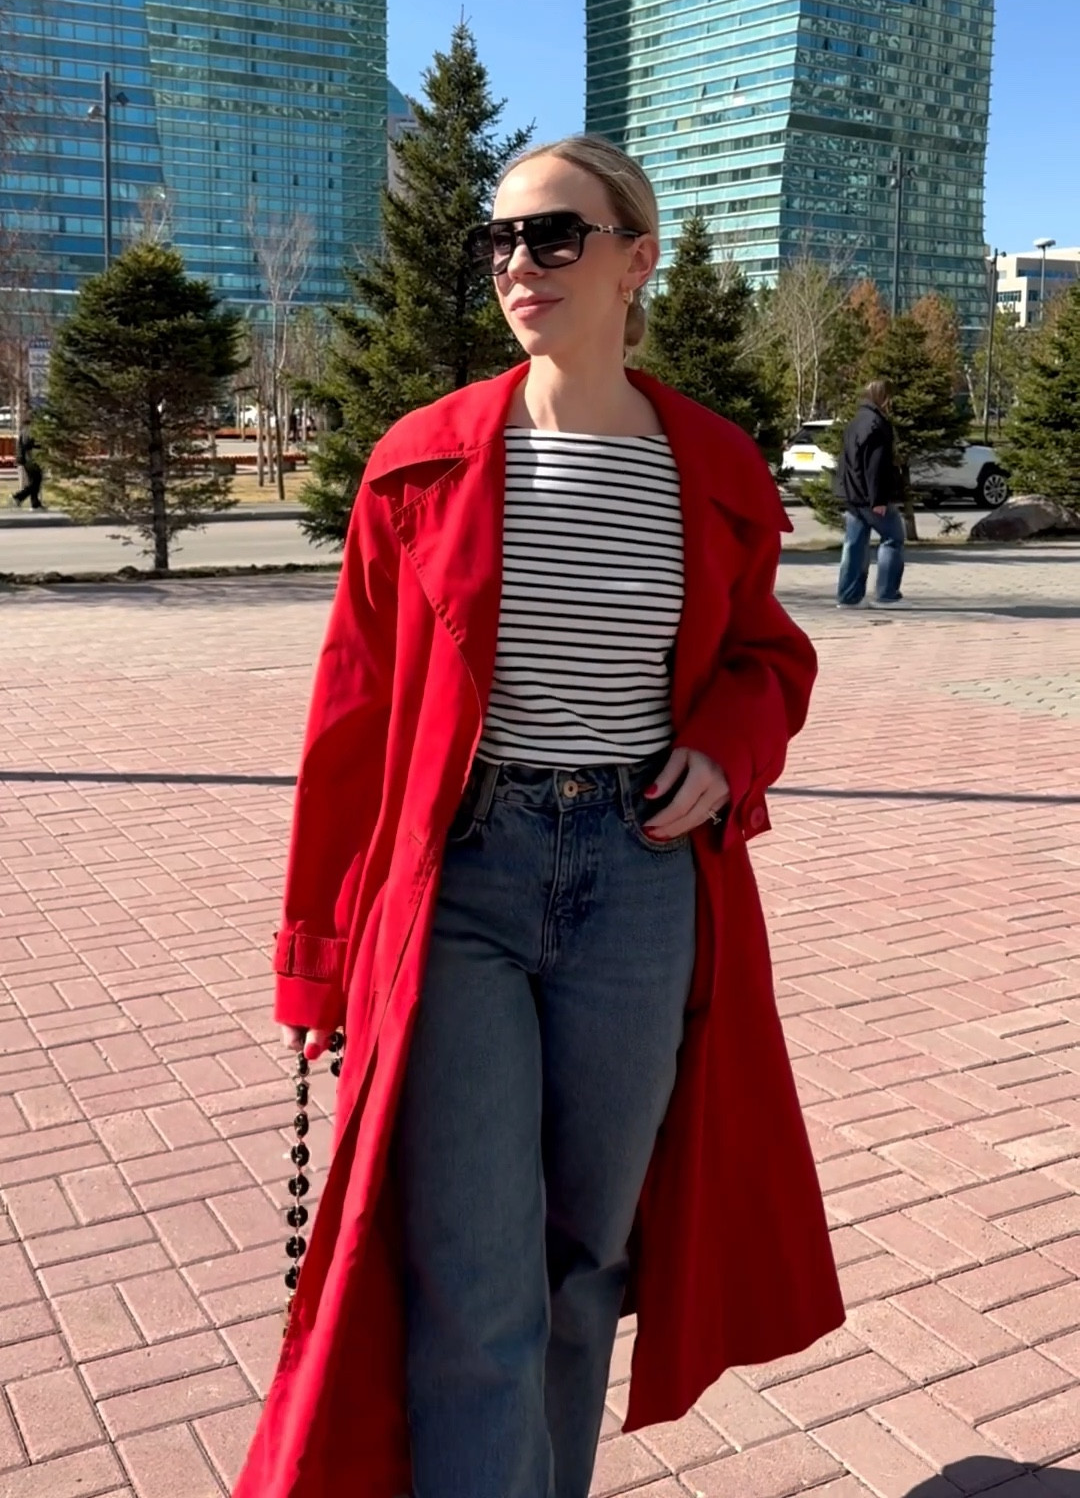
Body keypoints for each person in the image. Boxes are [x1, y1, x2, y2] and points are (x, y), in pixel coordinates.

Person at [235, 136, 843, 1498]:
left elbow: (768, 659)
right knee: (474, 1279)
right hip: (464, 890)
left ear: (637, 259)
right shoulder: (425, 461)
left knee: (585, 1271)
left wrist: (727, 753)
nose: (520, 263)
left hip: (639, 886)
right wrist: (315, 963)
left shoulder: (715, 467)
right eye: (501, 238)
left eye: (556, 235)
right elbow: (347, 730)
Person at [836, 380, 905, 607]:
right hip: (869, 495)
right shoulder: (877, 425)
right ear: (883, 397)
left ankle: (849, 596)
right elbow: (876, 466)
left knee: (854, 543)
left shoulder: (855, 422)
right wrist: (878, 499)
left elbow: (847, 461)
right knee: (893, 536)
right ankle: (887, 594)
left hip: (853, 494)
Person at [11, 425, 44, 511]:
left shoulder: (25, 429)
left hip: (26, 458)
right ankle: (18, 497)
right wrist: (40, 446)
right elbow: (28, 444)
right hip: (30, 458)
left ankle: (35, 503)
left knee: (33, 481)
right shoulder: (32, 430)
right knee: (36, 480)